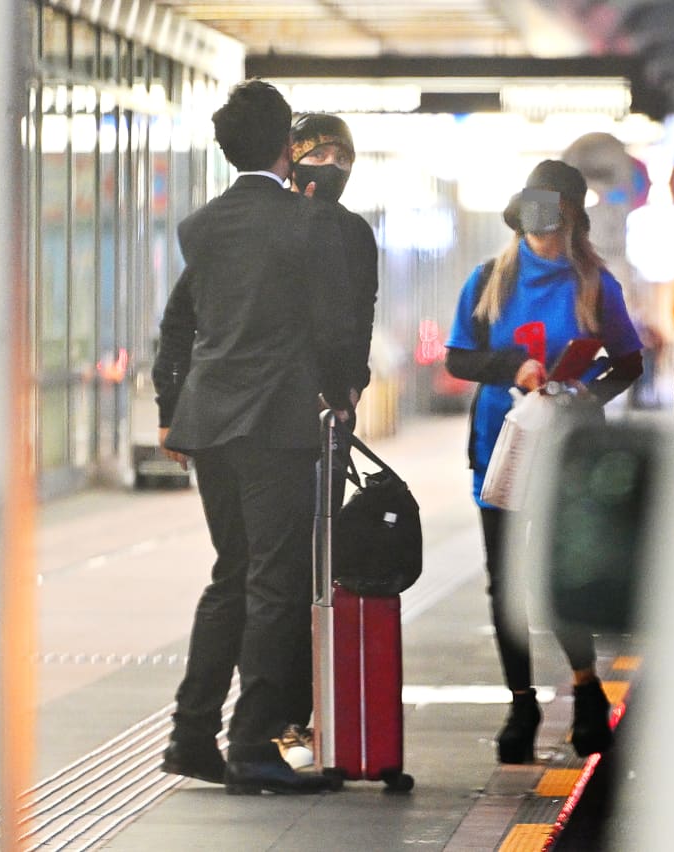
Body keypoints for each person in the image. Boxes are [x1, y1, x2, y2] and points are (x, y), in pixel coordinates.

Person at [151, 79, 359, 796]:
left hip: (209, 422)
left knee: (232, 572)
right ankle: (254, 747)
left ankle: (190, 733)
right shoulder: (309, 225)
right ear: (285, 147)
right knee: (276, 582)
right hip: (276, 423)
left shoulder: (202, 226)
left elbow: (188, 321)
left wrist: (167, 403)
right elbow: (333, 329)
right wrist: (344, 389)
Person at [444, 159, 644, 764]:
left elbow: (630, 362)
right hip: (499, 447)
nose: (542, 230)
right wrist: (514, 367)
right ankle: (521, 704)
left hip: (570, 446)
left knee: (563, 574)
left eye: (554, 216)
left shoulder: (595, 285)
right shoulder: (487, 281)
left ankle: (586, 692)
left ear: (572, 219)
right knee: (505, 581)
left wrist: (589, 391)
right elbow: (459, 359)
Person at [288, 112, 379, 510]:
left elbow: (360, 315)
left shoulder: (355, 232)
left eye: (342, 159)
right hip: (277, 397)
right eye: (318, 154)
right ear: (292, 158)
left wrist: (351, 387)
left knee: (325, 523)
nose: (331, 167)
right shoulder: (272, 221)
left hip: (335, 406)